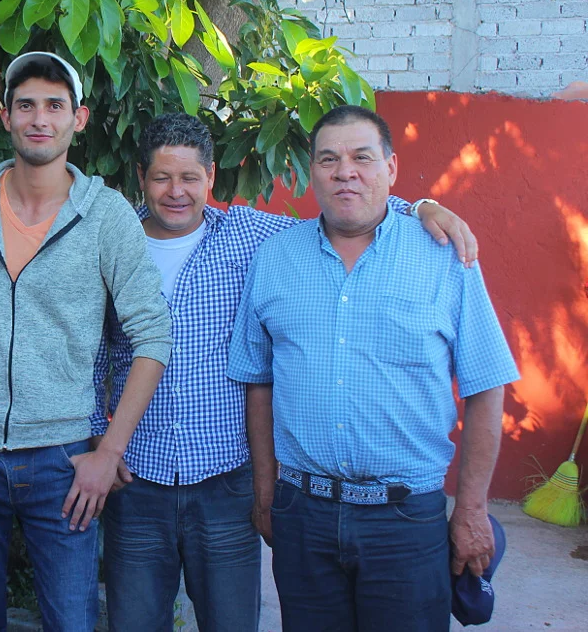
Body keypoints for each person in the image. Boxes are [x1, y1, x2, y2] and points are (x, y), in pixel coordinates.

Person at [93, 112, 479, 632]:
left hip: (225, 483)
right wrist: (98, 437)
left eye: (190, 178)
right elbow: (92, 347)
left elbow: (346, 216)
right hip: (136, 479)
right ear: (142, 178)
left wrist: (423, 207)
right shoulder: (114, 244)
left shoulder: (250, 234)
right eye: (162, 177)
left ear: (211, 177)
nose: (176, 192)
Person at [229, 105, 518, 632]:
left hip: (406, 522)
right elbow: (259, 381)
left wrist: (472, 509)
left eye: (363, 157)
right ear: (310, 170)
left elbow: (486, 385)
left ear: (391, 168)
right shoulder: (274, 256)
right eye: (329, 159)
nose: (346, 172)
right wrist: (266, 492)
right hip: (302, 515)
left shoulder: (444, 255)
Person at [0, 51, 171, 631]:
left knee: (71, 620)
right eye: (26, 105)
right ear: (6, 117)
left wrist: (108, 453)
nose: (40, 118)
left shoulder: (106, 215)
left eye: (54, 106)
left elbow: (153, 337)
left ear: (78, 119)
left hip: (63, 459)